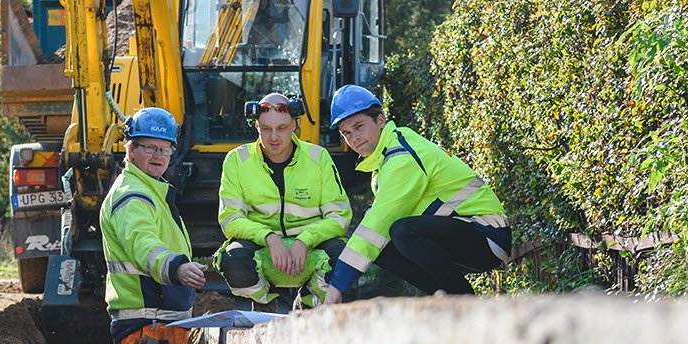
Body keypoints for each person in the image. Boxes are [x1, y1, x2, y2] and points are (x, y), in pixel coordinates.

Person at [320, 85, 510, 304]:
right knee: (381, 242)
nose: (354, 138)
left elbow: (379, 223)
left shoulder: (402, 156)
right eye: (347, 133)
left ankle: (464, 301)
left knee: (400, 231)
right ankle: (443, 298)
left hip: (487, 234)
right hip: (464, 232)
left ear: (380, 121)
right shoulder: (385, 160)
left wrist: (337, 287)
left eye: (359, 126)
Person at [102, 107, 209, 344]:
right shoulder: (133, 196)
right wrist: (177, 268)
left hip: (168, 328)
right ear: (129, 150)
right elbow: (143, 245)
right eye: (148, 148)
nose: (158, 156)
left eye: (164, 149)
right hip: (145, 327)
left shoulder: (155, 193)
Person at [216, 92, 350, 310]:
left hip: (310, 246)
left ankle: (308, 303)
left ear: (295, 125)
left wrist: (306, 239)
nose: (274, 137)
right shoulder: (237, 160)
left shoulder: (318, 157)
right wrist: (268, 237)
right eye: (266, 129)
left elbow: (340, 216)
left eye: (282, 128)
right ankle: (265, 304)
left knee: (345, 261)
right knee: (234, 261)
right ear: (256, 127)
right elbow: (230, 219)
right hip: (263, 246)